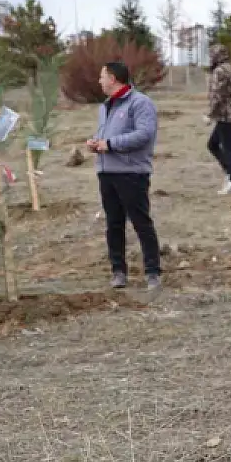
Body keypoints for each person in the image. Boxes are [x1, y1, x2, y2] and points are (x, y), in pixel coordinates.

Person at [86, 61, 162, 291]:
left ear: (113, 78)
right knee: (113, 224)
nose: (99, 81)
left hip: (131, 173)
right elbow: (106, 135)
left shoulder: (140, 103)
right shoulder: (105, 107)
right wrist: (96, 143)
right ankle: (118, 271)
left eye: (102, 76)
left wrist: (110, 144)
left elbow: (144, 134)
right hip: (106, 172)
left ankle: (152, 272)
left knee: (141, 222)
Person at [206, 43, 231, 195]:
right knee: (213, 144)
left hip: (226, 115)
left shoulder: (220, 71)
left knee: (227, 147)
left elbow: (218, 95)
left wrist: (210, 114)